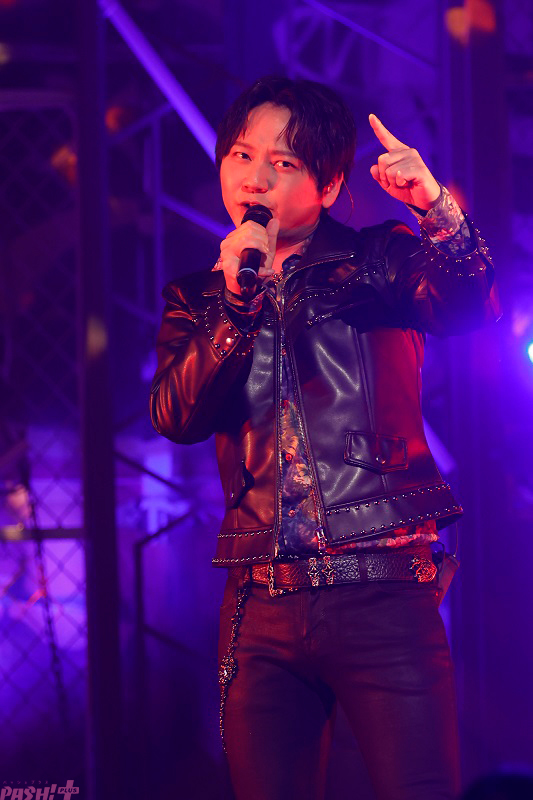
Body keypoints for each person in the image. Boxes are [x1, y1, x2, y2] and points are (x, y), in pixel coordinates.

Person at [150, 76, 500, 800]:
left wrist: (436, 209)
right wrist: (234, 306)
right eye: (242, 155)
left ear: (330, 184)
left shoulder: (377, 259)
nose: (254, 178)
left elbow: (469, 308)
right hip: (260, 604)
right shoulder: (199, 298)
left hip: (383, 590)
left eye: (282, 163)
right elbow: (175, 417)